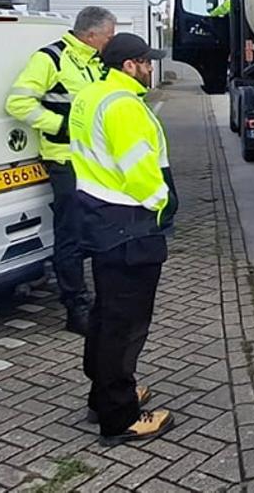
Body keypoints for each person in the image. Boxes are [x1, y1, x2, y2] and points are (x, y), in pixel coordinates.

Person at [69, 33, 178, 443]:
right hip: (130, 223)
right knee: (126, 324)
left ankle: (103, 395)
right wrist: (163, 205)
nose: (151, 68)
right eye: (146, 62)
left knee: (106, 314)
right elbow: (139, 171)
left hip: (99, 216)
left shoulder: (91, 95)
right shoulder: (124, 106)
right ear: (129, 65)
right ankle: (120, 417)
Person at [6, 6, 115, 334]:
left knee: (97, 231)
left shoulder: (96, 62)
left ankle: (97, 300)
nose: (110, 41)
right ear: (91, 35)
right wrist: (61, 125)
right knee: (71, 235)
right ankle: (76, 307)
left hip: (95, 162)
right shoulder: (50, 59)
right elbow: (18, 103)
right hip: (65, 160)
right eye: (108, 36)